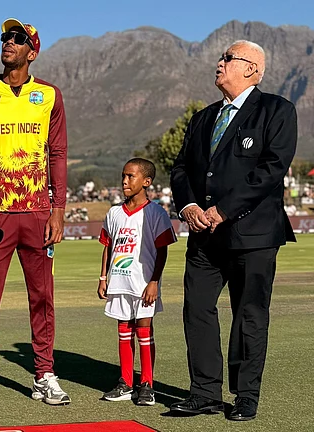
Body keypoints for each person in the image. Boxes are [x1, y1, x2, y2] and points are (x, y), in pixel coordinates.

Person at [169, 40, 297, 421]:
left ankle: (245, 395)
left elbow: (271, 169)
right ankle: (204, 392)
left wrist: (223, 210)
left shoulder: (277, 111)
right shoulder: (202, 118)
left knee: (249, 315)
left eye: (228, 57)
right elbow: (181, 169)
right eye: (222, 57)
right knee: (197, 309)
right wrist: (189, 206)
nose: (219, 62)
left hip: (253, 235)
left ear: (252, 70)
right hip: (204, 236)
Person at [0, 18, 69, 408]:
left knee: (42, 297)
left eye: (17, 38)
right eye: (5, 37)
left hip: (38, 213)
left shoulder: (50, 96)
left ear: (31, 51)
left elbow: (58, 154)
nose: (8, 42)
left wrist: (58, 210)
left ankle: (44, 375)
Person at [97, 159, 177, 406]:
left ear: (146, 181)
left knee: (144, 331)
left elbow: (162, 251)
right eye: (123, 176)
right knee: (123, 331)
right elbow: (108, 246)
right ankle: (125, 383)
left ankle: (147, 385)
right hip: (119, 282)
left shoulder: (156, 213)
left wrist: (154, 282)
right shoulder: (114, 213)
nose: (124, 181)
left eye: (130, 176)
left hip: (143, 284)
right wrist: (103, 277)